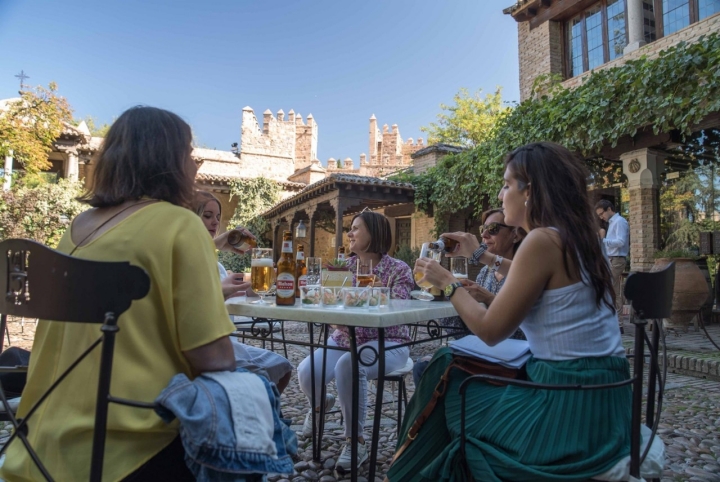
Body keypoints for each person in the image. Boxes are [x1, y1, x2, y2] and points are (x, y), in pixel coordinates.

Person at [1, 107, 238, 482]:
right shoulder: (181, 224)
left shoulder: (78, 228)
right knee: (253, 388)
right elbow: (215, 357)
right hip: (128, 450)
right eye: (190, 153)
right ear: (167, 160)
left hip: (35, 448)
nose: (196, 164)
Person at [390, 141, 630, 481]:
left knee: (446, 372)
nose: (502, 195)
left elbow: (489, 330)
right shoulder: (580, 237)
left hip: (566, 406)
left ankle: (413, 472)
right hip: (606, 395)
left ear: (529, 190)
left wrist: (448, 283)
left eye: (506, 185)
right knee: (451, 368)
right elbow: (528, 273)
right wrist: (479, 255)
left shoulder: (541, 241)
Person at [296, 210, 414, 471]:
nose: (349, 233)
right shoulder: (343, 268)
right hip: (344, 338)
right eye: (350, 228)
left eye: (356, 228)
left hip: (388, 342)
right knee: (306, 370)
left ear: (375, 233)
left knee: (348, 365)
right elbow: (328, 304)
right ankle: (319, 406)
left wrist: (355, 310)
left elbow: (397, 312)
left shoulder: (398, 270)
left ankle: (355, 440)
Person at [412, 208, 526, 387]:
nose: (485, 234)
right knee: (426, 365)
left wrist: (487, 298)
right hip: (485, 350)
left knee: (434, 368)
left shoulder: (527, 273)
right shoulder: (484, 273)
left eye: (494, 228)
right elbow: (467, 331)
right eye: (483, 229)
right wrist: (447, 295)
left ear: (515, 236)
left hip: (514, 356)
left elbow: (523, 330)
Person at [194, 190, 292, 393]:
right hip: (208, 345)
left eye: (218, 217)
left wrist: (260, 283)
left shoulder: (217, 264)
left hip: (229, 340)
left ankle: (270, 417)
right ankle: (266, 420)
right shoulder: (188, 258)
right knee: (263, 379)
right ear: (191, 218)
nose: (215, 222)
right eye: (207, 216)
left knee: (283, 368)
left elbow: (241, 295)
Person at [595, 199, 629, 325]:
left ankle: (616, 322)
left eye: (601, 214)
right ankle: (618, 322)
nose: (601, 217)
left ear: (609, 209)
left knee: (608, 288)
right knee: (613, 290)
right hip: (611, 259)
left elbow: (621, 242)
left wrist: (602, 241)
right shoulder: (612, 222)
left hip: (617, 260)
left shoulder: (619, 222)